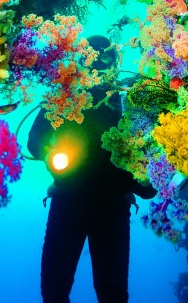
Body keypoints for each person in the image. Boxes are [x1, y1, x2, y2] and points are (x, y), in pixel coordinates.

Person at [27, 35, 157, 303]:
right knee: (54, 289)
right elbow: (35, 140)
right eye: (91, 57)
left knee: (112, 293)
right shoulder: (64, 95)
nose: (97, 64)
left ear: (115, 62)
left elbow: (150, 177)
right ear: (80, 61)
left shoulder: (127, 100)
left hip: (112, 205)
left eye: (104, 57)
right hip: (69, 198)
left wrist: (144, 178)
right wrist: (51, 155)